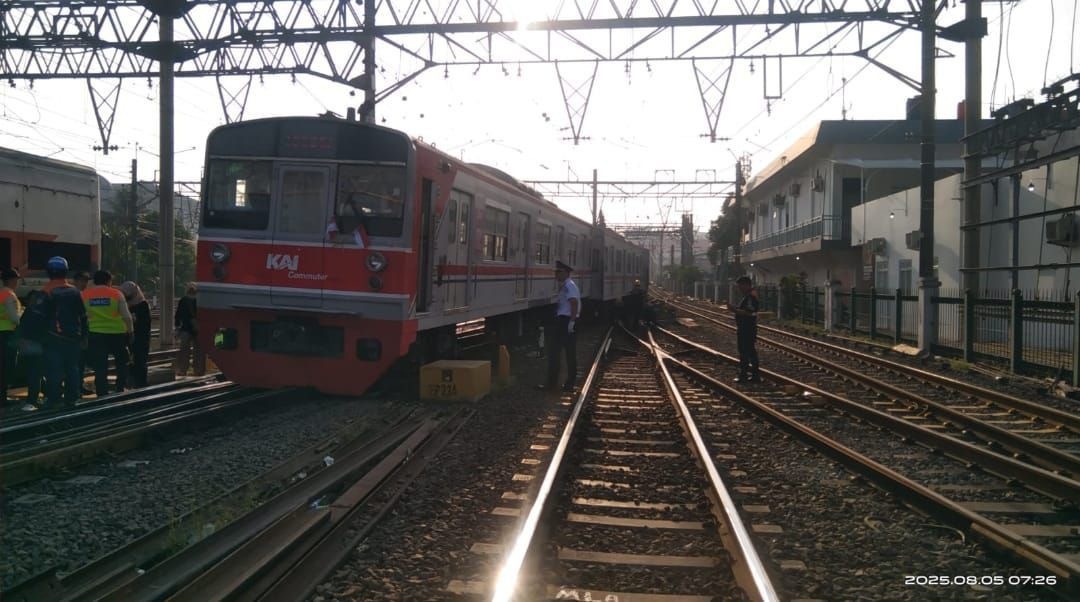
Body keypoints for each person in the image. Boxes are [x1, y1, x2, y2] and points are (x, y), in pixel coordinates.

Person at [40, 257, 88, 408]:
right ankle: (72, 399)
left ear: (48, 272)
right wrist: (84, 336)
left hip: (53, 338)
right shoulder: (74, 292)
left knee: (54, 369)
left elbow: (39, 317)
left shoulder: (46, 291)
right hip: (74, 337)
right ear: (66, 271)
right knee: (72, 368)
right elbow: (83, 316)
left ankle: (53, 399)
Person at [83, 270, 133, 396]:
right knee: (121, 362)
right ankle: (120, 387)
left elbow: (81, 315)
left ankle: (101, 391)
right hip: (117, 333)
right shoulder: (116, 294)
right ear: (109, 281)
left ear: (94, 281)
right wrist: (131, 331)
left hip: (96, 333)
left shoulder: (85, 295)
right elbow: (126, 316)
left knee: (100, 364)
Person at [538, 260, 580, 393]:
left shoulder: (569, 286)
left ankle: (559, 384)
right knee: (563, 353)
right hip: (565, 321)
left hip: (566, 321)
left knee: (561, 353)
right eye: (556, 272)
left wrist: (572, 322)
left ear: (566, 273)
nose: (556, 274)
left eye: (559, 272)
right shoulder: (566, 285)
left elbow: (574, 303)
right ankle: (560, 384)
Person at [17, 290, 48, 408]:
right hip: (36, 346)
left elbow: (22, 328)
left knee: (34, 374)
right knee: (36, 373)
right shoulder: (42, 312)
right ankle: (47, 394)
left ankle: (32, 399)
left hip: (31, 346)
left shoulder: (30, 312)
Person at [120, 281, 151, 388]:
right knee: (129, 360)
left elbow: (143, 323)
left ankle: (141, 382)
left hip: (140, 336)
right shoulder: (125, 304)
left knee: (140, 359)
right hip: (128, 335)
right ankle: (130, 381)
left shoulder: (142, 305)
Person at [732, 275, 760, 383]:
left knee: (745, 352)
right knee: (750, 351)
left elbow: (749, 312)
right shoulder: (749, 296)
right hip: (747, 328)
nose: (739, 288)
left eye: (740, 286)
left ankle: (744, 375)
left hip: (747, 328)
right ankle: (753, 375)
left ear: (746, 285)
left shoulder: (750, 297)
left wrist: (734, 310)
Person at [1, 268, 22, 402]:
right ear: (10, 280)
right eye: (16, 279)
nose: (17, 282)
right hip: (7, 334)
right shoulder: (9, 295)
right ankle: (2, 398)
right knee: (6, 366)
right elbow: (15, 318)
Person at [175, 283, 205, 376]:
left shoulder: (183, 300)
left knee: (184, 350)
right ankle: (199, 370)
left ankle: (183, 370)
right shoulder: (200, 300)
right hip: (198, 328)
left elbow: (178, 315)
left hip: (186, 328)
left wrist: (177, 327)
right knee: (199, 351)